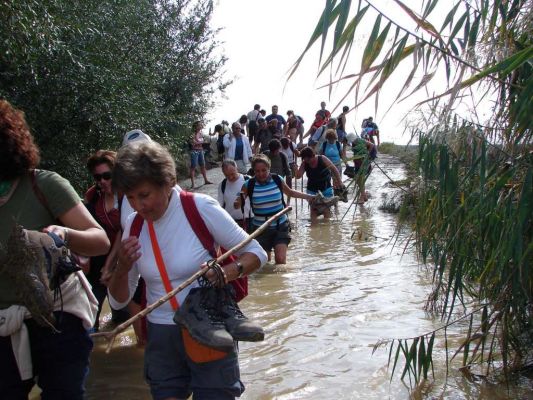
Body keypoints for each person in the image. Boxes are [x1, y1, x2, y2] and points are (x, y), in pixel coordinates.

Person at [108, 141, 267, 399]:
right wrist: (122, 267)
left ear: (168, 182)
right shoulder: (133, 224)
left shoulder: (200, 208)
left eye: (144, 195)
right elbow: (118, 300)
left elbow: (256, 254)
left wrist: (226, 272)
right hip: (161, 335)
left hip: (208, 327)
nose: (138, 206)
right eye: (130, 198)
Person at [0, 99, 110, 399]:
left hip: (59, 317)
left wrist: (63, 232)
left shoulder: (44, 184)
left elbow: (100, 240)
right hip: (4, 325)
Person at [238, 154, 315, 264]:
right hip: (260, 228)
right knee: (265, 261)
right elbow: (239, 201)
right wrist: (237, 202)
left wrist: (308, 197)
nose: (261, 174)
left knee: (280, 260)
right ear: (253, 171)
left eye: (264, 170)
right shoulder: (249, 184)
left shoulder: (277, 179)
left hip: (281, 225)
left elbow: (291, 192)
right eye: (257, 171)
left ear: (269, 168)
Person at [84, 150, 126, 331]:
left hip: (123, 254)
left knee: (123, 314)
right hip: (98, 257)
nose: (102, 181)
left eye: (107, 176)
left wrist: (111, 265)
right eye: (97, 177)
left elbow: (124, 232)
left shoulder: (128, 195)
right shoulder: (93, 196)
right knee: (92, 307)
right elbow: (86, 227)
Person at [296, 146, 343, 223]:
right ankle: (313, 230)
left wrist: (339, 182)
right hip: (312, 190)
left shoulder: (322, 159)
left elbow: (334, 169)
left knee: (326, 210)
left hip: (326, 188)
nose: (308, 161)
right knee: (314, 210)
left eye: (308, 159)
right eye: (305, 159)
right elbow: (298, 176)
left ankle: (326, 229)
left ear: (313, 155)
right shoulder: (305, 163)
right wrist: (296, 169)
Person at [217, 160, 253, 232]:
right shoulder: (222, 185)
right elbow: (220, 205)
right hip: (232, 222)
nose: (230, 177)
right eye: (227, 175)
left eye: (232, 174)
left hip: (249, 219)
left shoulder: (248, 180)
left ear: (237, 168)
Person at [349, 134, 375, 204]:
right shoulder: (355, 143)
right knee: (358, 179)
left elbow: (372, 145)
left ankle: (362, 198)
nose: (352, 143)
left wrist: (367, 154)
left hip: (365, 161)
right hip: (359, 161)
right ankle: (364, 197)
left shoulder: (361, 141)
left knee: (360, 179)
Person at [189, 121, 213, 189]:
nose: (201, 126)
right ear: (196, 126)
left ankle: (206, 180)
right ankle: (193, 184)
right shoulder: (192, 133)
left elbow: (200, 141)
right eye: (199, 125)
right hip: (194, 151)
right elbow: (193, 143)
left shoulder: (200, 133)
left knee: (202, 165)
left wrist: (200, 142)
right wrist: (201, 142)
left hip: (200, 150)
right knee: (193, 166)